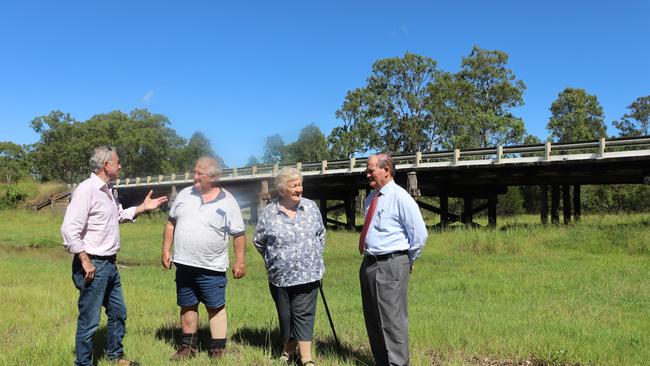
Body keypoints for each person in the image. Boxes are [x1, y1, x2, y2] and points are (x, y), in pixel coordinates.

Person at [61, 145, 168, 366]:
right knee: (89, 321)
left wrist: (142, 208)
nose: (120, 166)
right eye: (117, 162)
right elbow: (69, 229)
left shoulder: (108, 190)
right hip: (93, 264)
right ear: (106, 165)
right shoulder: (86, 189)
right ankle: (83, 363)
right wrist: (85, 260)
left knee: (118, 313)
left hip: (110, 264)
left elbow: (117, 216)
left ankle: (115, 357)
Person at [161, 156, 246, 360]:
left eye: (200, 173)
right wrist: (166, 249)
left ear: (214, 177)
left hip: (212, 267)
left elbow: (239, 233)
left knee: (215, 307)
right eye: (195, 172)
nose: (195, 176)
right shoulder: (183, 195)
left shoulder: (228, 201)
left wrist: (240, 260)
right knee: (187, 304)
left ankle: (217, 349)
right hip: (184, 264)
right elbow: (171, 223)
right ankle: (188, 347)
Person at [359, 153, 428, 366]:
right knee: (373, 319)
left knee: (391, 320)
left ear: (386, 170)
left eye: (371, 170)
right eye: (367, 170)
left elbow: (419, 235)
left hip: (391, 263)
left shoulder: (400, 197)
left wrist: (406, 260)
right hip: (369, 263)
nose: (367, 173)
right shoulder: (371, 198)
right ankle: (382, 362)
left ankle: (398, 364)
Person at [254, 167, 325, 366]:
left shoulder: (310, 207)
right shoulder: (269, 212)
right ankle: (287, 349)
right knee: (286, 317)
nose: (299, 189)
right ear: (282, 189)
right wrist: (272, 260)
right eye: (293, 185)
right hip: (280, 276)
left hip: (308, 273)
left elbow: (321, 234)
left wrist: (315, 256)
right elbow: (259, 241)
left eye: (300, 185)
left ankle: (306, 358)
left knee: (303, 314)